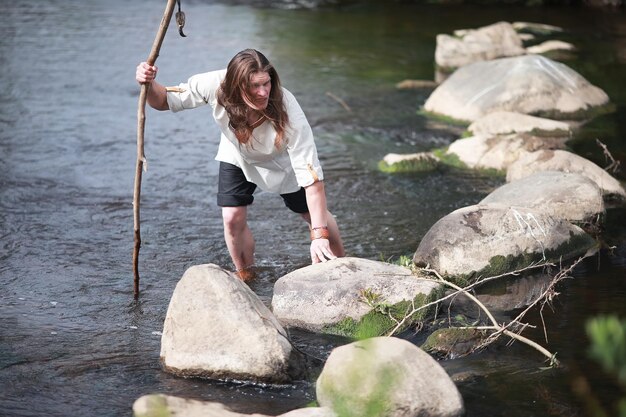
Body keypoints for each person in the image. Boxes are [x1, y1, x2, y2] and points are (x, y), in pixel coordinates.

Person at [135, 49, 344, 281]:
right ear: (236, 85)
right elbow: (163, 100)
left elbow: (313, 180)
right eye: (254, 86)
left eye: (266, 83)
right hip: (237, 153)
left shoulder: (288, 110)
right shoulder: (214, 85)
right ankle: (246, 276)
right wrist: (149, 82)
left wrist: (319, 235)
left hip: (282, 162)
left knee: (314, 216)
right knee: (232, 217)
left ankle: (342, 267)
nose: (263, 92)